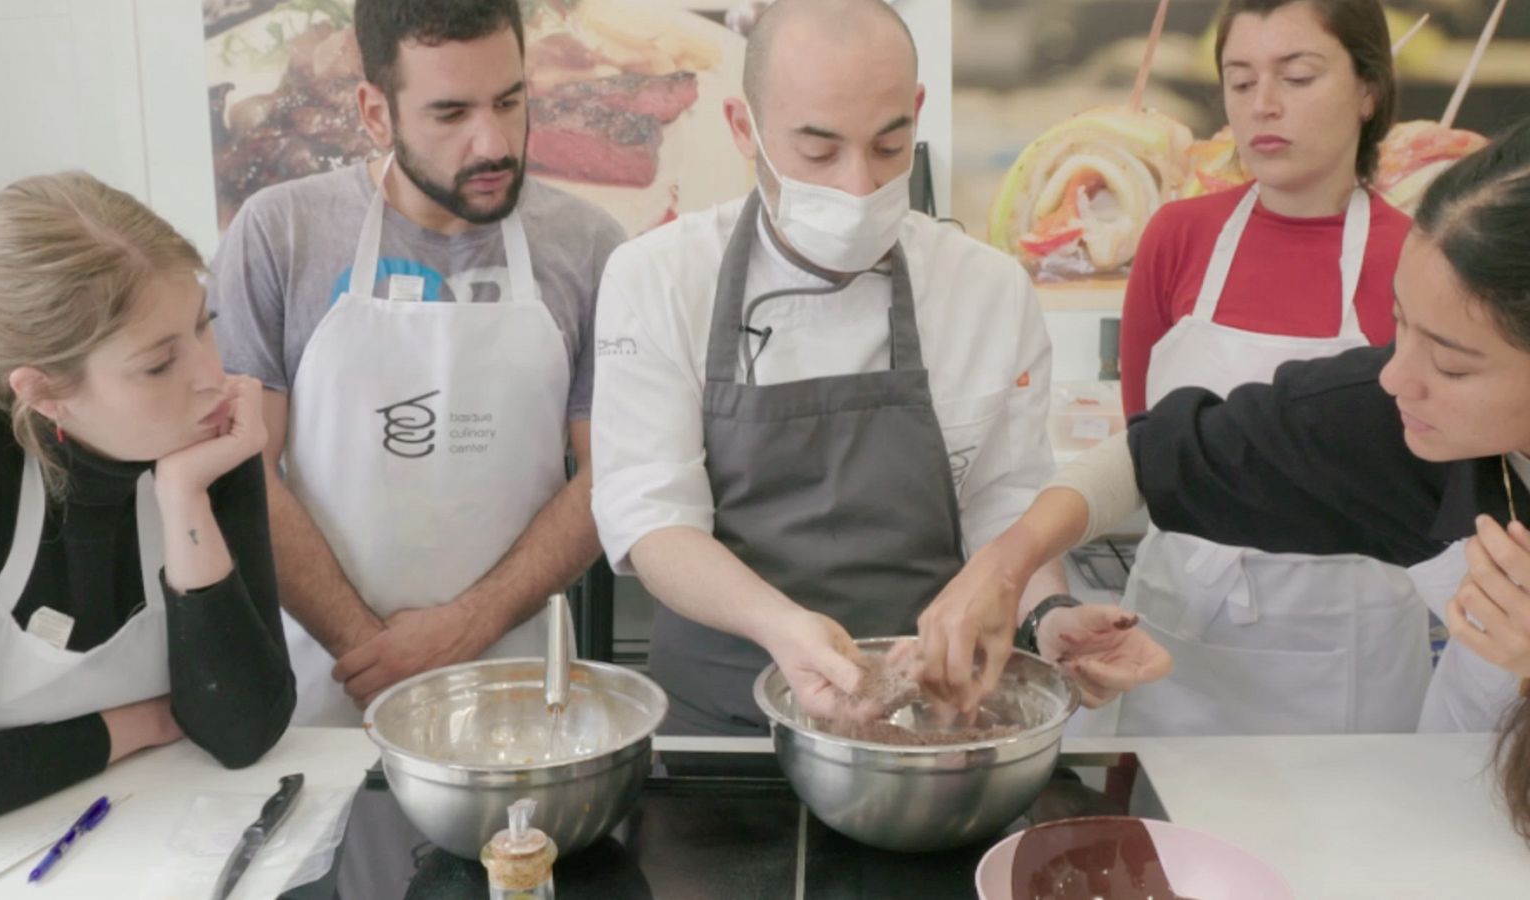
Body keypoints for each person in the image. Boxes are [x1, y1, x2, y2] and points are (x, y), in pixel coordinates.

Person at [915, 117, 1530, 838]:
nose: (1397, 376)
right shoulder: (1387, 418)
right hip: (1454, 812)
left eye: (1452, 364)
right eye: (1401, 328)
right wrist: (1005, 568)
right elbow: (1149, 457)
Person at [590, 0, 1169, 736]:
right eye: (819, 152)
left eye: (889, 146)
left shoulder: (984, 290)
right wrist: (784, 629)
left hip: (932, 724)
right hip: (719, 732)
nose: (859, 187)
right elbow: (653, 520)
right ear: (745, 129)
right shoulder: (659, 277)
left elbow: (1004, 501)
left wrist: (1045, 614)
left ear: (917, 113)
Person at [208, 0, 627, 724]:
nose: (492, 142)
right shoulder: (280, 235)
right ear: (376, 113)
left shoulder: (589, 247)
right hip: (330, 685)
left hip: (515, 687)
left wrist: (468, 625)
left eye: (510, 101)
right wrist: (372, 651)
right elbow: (242, 469)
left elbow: (608, 475)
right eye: (450, 113)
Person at [1098, 0, 1432, 736]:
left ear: (1369, 91)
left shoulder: (1418, 259)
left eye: (1299, 75)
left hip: (1346, 655)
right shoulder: (1176, 239)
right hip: (1176, 641)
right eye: (1240, 81)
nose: (1264, 106)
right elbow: (1145, 448)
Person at [0, 174, 293, 837]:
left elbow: (245, 730)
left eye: (203, 326)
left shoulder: (209, 436)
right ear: (45, 392)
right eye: (159, 365)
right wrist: (145, 722)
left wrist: (185, 498)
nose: (212, 377)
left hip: (163, 841)